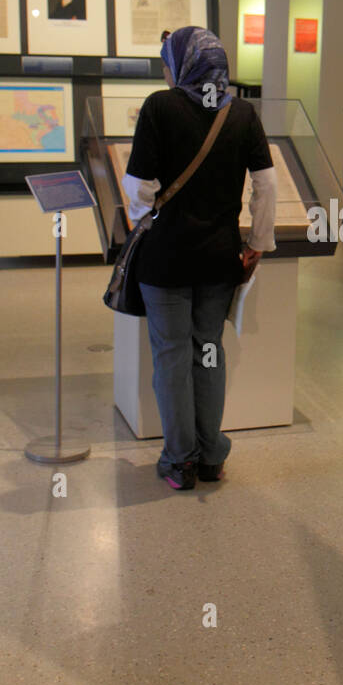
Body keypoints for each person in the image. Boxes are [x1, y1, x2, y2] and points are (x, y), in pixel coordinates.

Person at [122, 26, 277, 491]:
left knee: (171, 356)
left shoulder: (160, 107)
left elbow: (139, 188)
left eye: (168, 62)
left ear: (181, 64)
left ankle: (179, 461)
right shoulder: (243, 113)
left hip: (165, 261)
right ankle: (211, 457)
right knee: (208, 351)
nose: (166, 72)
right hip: (218, 261)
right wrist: (257, 243)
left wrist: (144, 217)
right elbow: (266, 185)